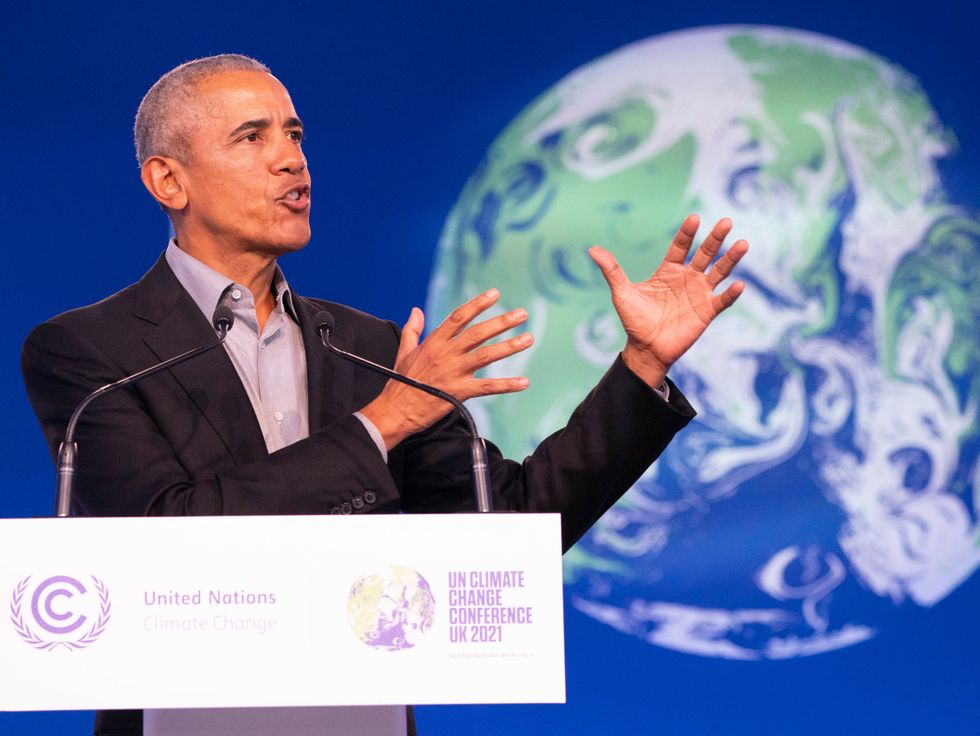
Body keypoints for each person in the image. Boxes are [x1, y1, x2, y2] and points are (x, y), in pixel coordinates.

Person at [20, 54, 747, 736]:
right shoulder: (91, 351)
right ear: (168, 181)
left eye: (296, 134)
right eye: (252, 137)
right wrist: (381, 426)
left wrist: (641, 367)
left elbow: (515, 525)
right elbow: (162, 533)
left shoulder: (368, 349)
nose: (291, 159)